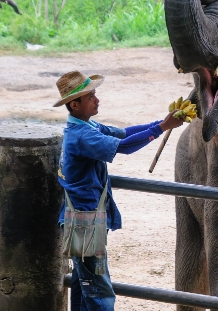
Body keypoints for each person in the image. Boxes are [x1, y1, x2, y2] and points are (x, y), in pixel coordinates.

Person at [53, 71, 183, 311]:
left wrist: (160, 124)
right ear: (75, 104)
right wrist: (164, 127)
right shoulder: (83, 136)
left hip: (83, 218)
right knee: (98, 290)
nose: (97, 99)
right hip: (85, 222)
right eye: (91, 96)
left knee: (84, 285)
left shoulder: (87, 126)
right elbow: (123, 147)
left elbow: (124, 133)